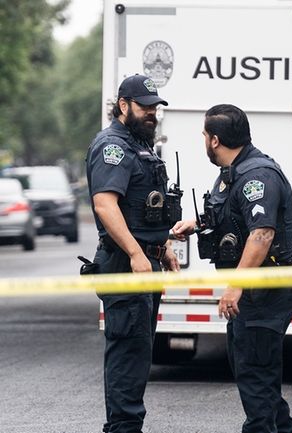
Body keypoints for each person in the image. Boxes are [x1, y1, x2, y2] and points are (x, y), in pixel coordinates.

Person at [172, 104, 292, 433]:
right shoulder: (231, 173)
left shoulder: (256, 175)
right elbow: (234, 218)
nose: (203, 140)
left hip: (265, 293)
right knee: (255, 372)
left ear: (215, 140)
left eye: (204, 135)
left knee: (254, 373)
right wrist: (196, 223)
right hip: (255, 293)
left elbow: (262, 234)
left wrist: (235, 286)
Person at [85, 74, 181, 433]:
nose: (151, 113)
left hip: (144, 261)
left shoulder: (140, 145)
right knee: (128, 353)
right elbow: (105, 205)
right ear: (123, 106)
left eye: (155, 107)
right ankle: (122, 429)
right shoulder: (113, 146)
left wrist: (165, 246)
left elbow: (144, 207)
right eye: (144, 106)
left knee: (139, 352)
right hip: (126, 264)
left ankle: (127, 426)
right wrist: (137, 253)